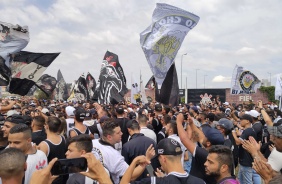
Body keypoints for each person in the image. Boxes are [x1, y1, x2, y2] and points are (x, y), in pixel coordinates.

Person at [91, 119, 155, 184]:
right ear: (109, 137)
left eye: (120, 131)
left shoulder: (92, 143)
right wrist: (147, 161)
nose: (121, 133)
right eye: (118, 133)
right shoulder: (114, 155)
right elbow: (130, 175)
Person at [120, 138, 206, 184]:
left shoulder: (154, 182)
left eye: (159, 159)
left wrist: (135, 161)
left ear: (163, 159)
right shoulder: (200, 182)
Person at [177, 113, 224, 184]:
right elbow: (201, 137)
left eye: (206, 136)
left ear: (208, 143)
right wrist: (191, 123)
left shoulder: (204, 154)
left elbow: (184, 139)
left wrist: (179, 122)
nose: (203, 136)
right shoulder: (218, 152)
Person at [38, 116, 68, 184]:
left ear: (47, 126)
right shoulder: (63, 138)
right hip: (62, 176)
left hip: (51, 178)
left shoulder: (44, 145)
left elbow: (40, 165)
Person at [232, 114, 258, 184]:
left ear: (247, 121)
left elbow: (238, 142)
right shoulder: (249, 130)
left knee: (247, 181)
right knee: (240, 180)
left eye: (242, 119)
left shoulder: (248, 130)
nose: (240, 121)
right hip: (245, 159)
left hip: (246, 160)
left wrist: (234, 134)